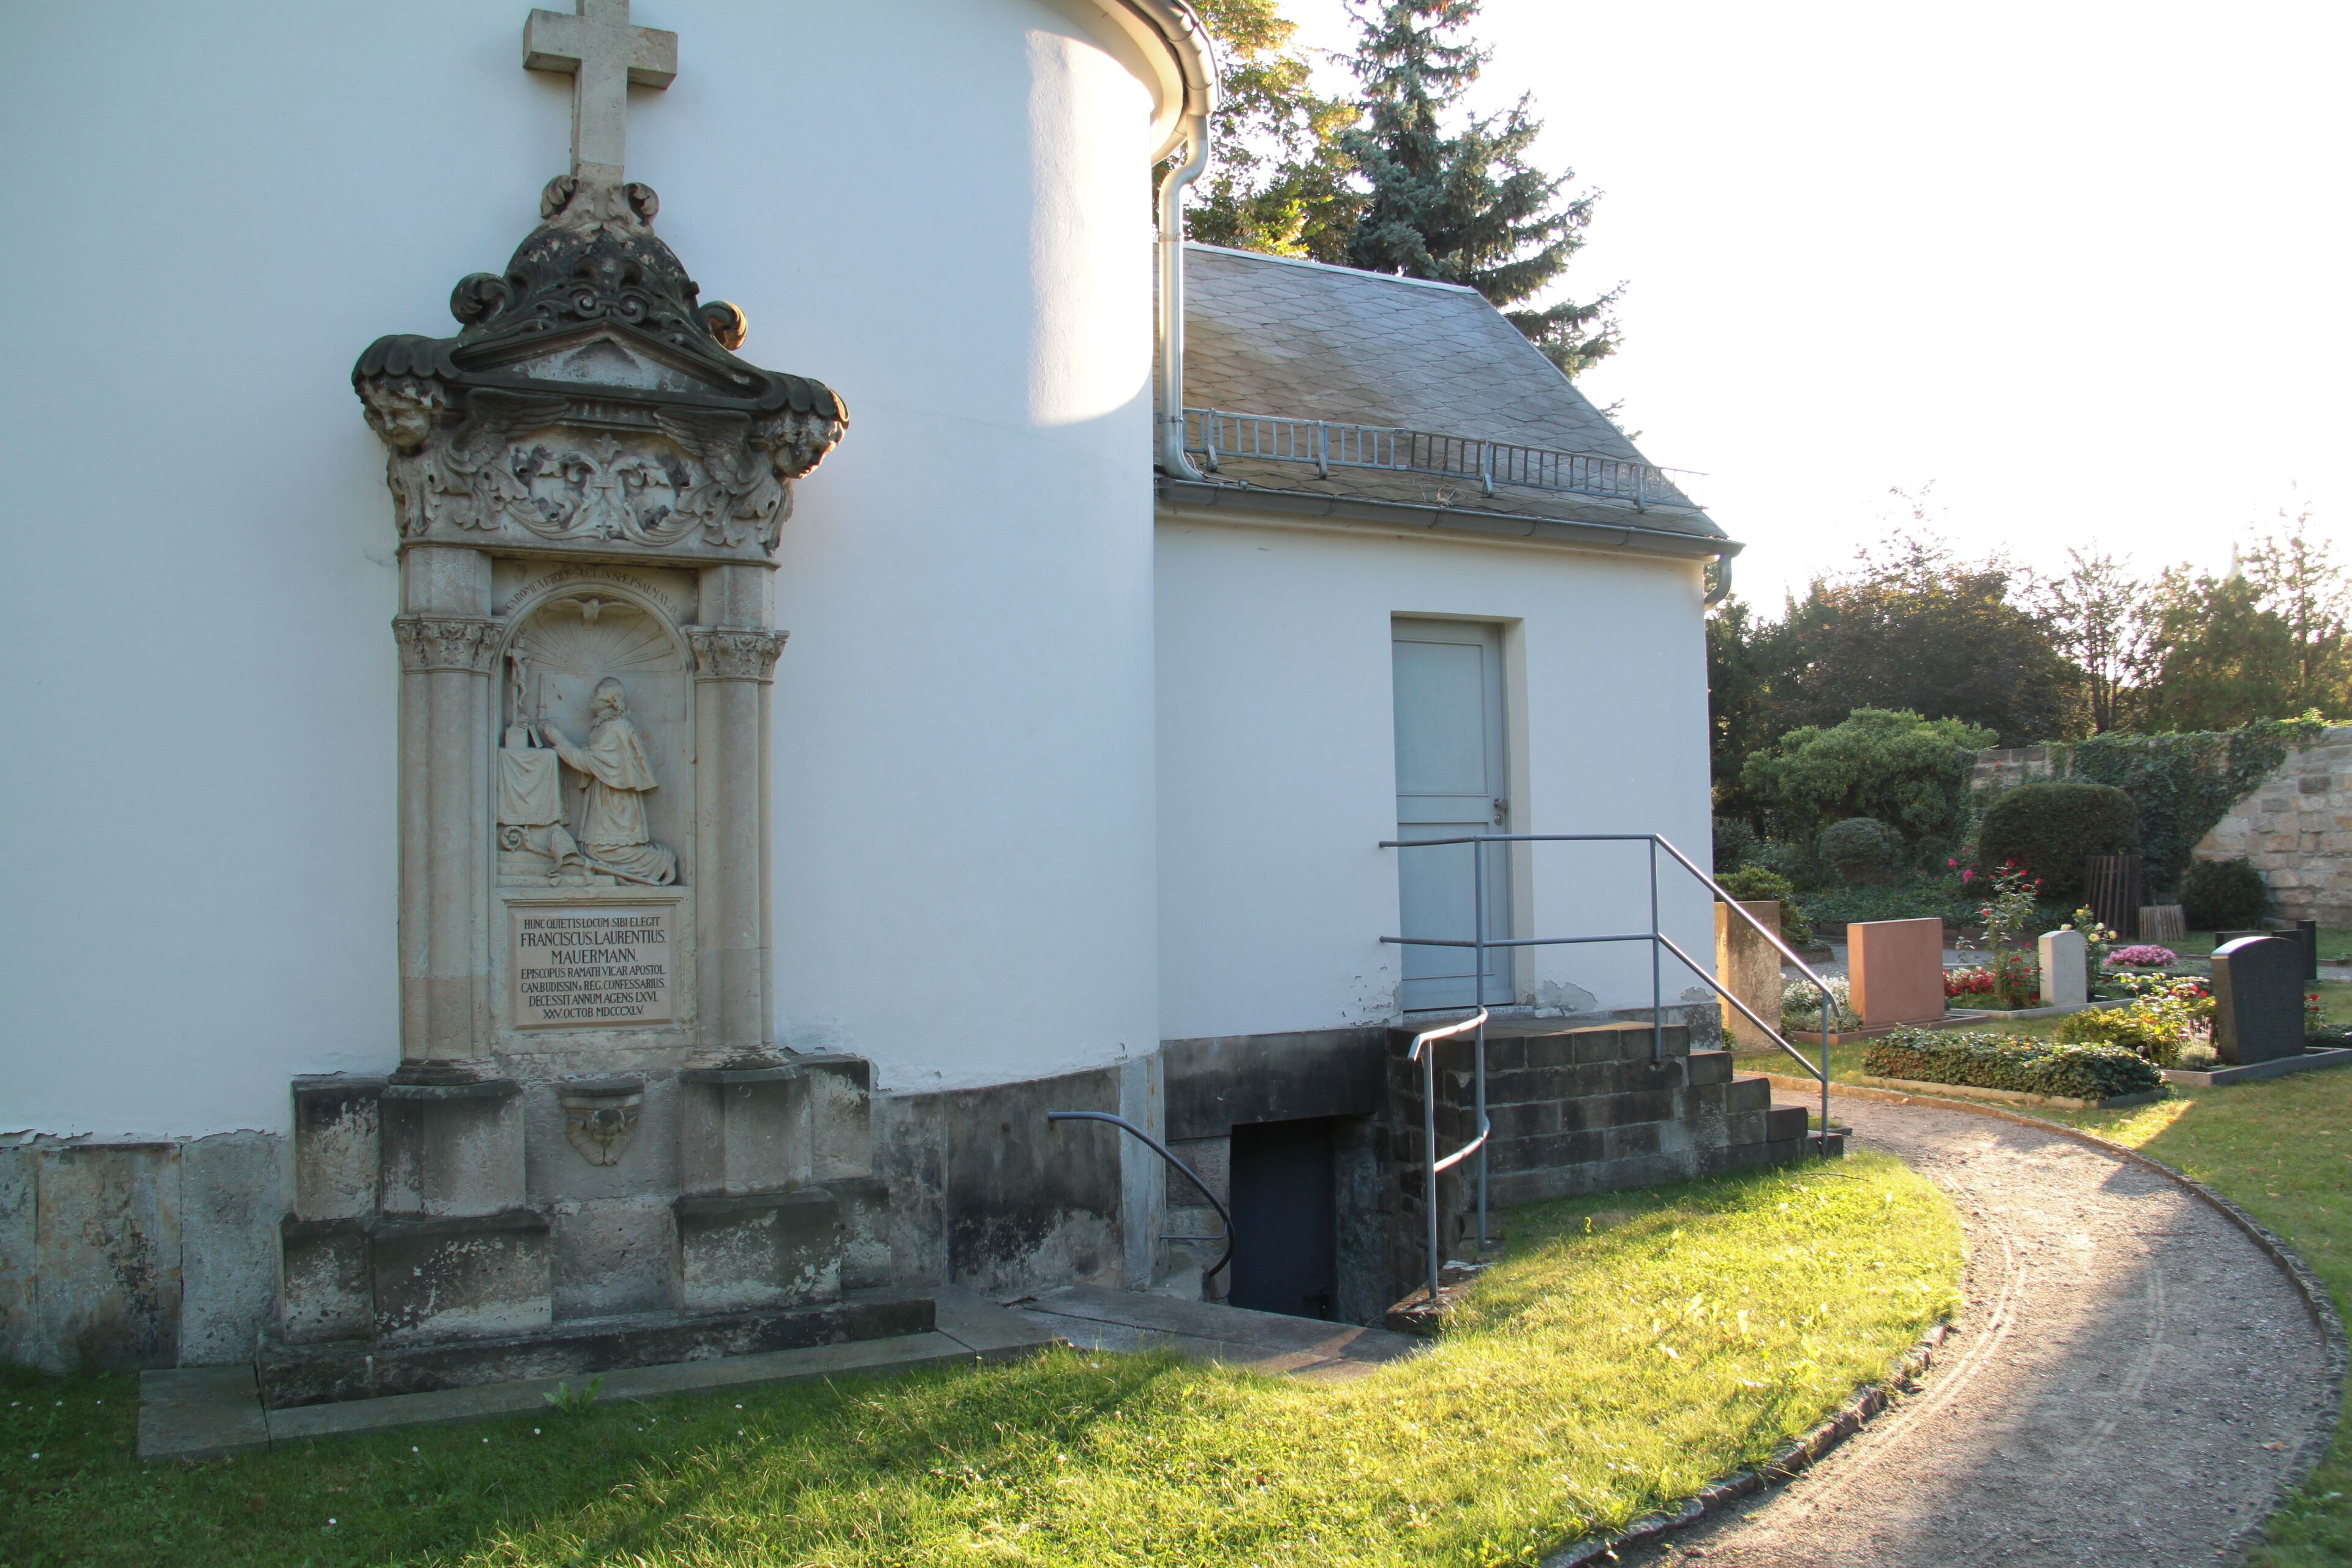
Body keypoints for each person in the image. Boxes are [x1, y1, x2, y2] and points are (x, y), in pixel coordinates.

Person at [541, 677, 677, 885]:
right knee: (592, 849)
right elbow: (593, 760)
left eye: (595, 694)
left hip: (615, 801)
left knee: (600, 850)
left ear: (608, 701)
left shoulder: (615, 728)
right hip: (605, 796)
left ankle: (660, 860)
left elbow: (589, 762)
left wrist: (560, 741)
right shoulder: (605, 726)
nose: (591, 698)